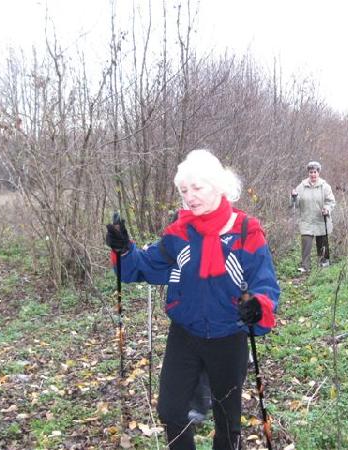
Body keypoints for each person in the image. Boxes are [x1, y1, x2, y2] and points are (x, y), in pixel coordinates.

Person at [105, 149, 280, 449]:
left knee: (228, 421)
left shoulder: (245, 231)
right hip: (185, 334)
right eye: (185, 190)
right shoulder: (179, 234)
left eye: (197, 188)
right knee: (171, 411)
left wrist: (257, 307)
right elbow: (143, 266)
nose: (190, 196)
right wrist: (124, 250)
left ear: (218, 186)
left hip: (229, 335)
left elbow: (264, 283)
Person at [291, 161, 336, 273]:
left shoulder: (325, 186)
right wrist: (294, 196)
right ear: (308, 173)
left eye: (315, 172)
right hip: (306, 220)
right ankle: (305, 266)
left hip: (321, 219)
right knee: (306, 242)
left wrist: (327, 208)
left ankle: (323, 263)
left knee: (322, 243)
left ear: (318, 172)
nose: (313, 175)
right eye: (311, 172)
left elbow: (331, 201)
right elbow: (294, 204)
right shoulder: (302, 186)